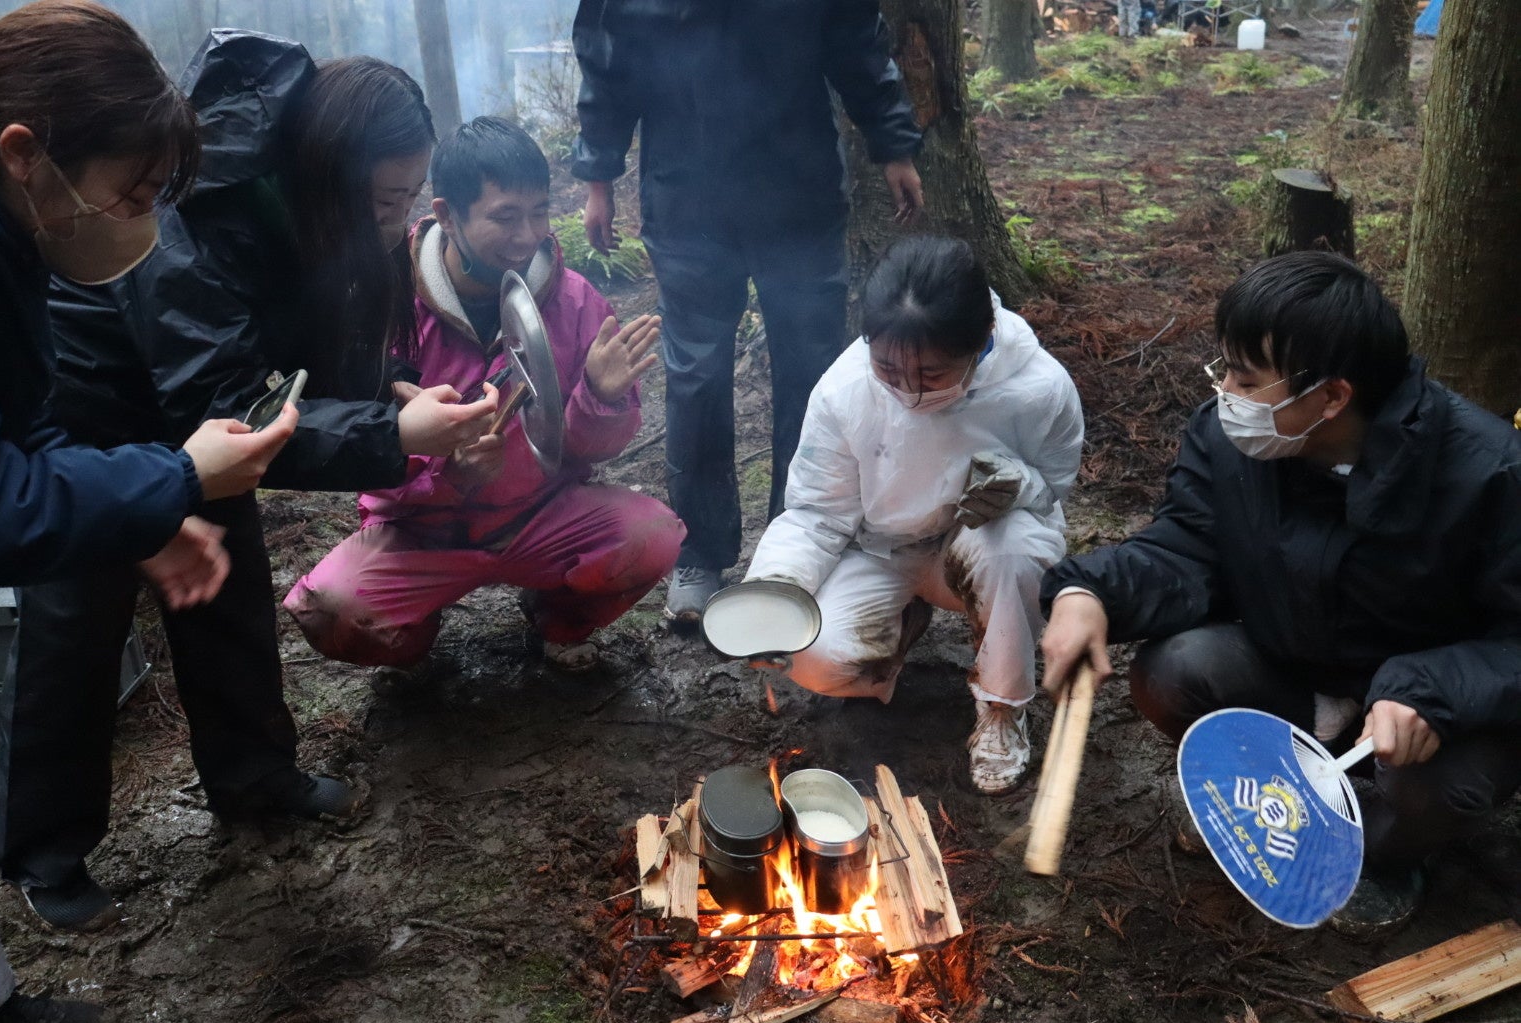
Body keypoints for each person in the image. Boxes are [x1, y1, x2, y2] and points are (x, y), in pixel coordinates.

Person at [0, 34, 498, 933]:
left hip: (210, 411)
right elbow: (229, 400)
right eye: (385, 200)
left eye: (409, 197)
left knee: (228, 587)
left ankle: (254, 777)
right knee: (76, 623)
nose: (398, 219)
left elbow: (297, 351)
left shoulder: (316, 205)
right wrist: (388, 435)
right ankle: (42, 850)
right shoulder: (197, 207)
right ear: (330, 175)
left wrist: (388, 392)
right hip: (93, 409)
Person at [0, 2, 297, 1023]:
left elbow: (21, 427)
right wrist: (176, 476)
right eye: (126, 193)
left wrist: (145, 520)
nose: (134, 221)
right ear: (25, 152)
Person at [1038, 251, 1521, 937]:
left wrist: (1431, 691)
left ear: (1332, 396)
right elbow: (1187, 544)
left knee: (1436, 789)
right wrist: (1088, 592)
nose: (1225, 394)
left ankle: (1382, 854)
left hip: (1425, 712)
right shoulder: (1235, 440)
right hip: (1305, 673)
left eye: (1246, 378)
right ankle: (1284, 793)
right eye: (1225, 370)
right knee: (1173, 671)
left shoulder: (1489, 473)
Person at [284, 118, 685, 673]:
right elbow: (362, 441)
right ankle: (414, 635)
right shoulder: (384, 300)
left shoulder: (574, 301)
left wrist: (600, 397)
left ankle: (558, 618)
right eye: (505, 216)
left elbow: (590, 450)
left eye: (539, 212)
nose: (528, 235)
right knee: (332, 611)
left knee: (653, 537)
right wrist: (449, 474)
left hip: (539, 513)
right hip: (420, 529)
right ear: (448, 215)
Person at [571, 0, 926, 623]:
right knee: (696, 375)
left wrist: (894, 143)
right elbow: (609, 56)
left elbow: (856, 40)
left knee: (811, 371)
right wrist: (598, 177)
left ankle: (801, 544)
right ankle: (699, 553)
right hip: (685, 195)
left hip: (798, 189)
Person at [744, 237, 1084, 793]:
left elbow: (1055, 484)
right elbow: (817, 513)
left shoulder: (1038, 389)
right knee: (812, 656)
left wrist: (1022, 484)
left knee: (1017, 547)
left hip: (976, 548)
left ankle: (1002, 707)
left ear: (981, 338)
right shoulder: (844, 391)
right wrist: (777, 589)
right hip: (880, 550)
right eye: (887, 368)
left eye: (930, 374)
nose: (907, 390)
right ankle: (898, 630)